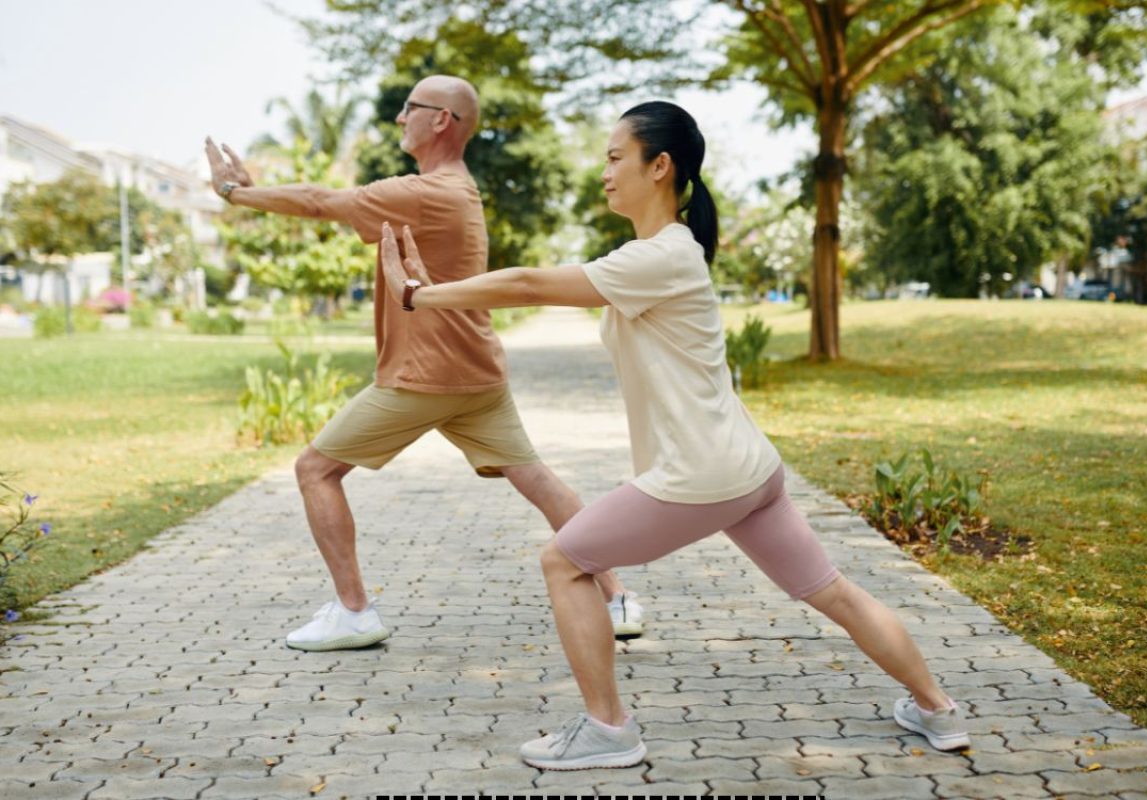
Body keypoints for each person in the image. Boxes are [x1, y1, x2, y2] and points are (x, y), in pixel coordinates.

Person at [380, 100, 972, 769]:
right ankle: (938, 710)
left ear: (659, 167)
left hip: (704, 475)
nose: (603, 172)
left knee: (564, 562)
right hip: (748, 468)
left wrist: (417, 296)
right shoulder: (663, 252)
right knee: (831, 589)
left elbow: (527, 283)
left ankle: (608, 731)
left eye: (614, 157)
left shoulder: (660, 256)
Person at [203, 75, 646, 651]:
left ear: (441, 120)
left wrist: (236, 194)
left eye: (409, 108)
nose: (398, 118)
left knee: (315, 470)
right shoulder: (457, 189)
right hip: (477, 374)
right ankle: (616, 599)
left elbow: (320, 201)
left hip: (425, 376)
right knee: (536, 478)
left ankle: (354, 611)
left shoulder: (427, 190)